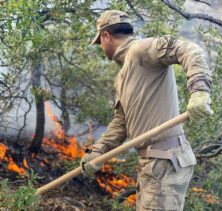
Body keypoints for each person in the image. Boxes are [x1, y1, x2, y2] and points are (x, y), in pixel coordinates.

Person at [80, 10, 213, 211]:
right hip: (152, 163)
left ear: (106, 36)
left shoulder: (140, 49)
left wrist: (199, 91)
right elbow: (121, 123)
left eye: (100, 42)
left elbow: (189, 50)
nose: (102, 47)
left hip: (165, 160)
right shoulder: (122, 77)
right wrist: (97, 152)